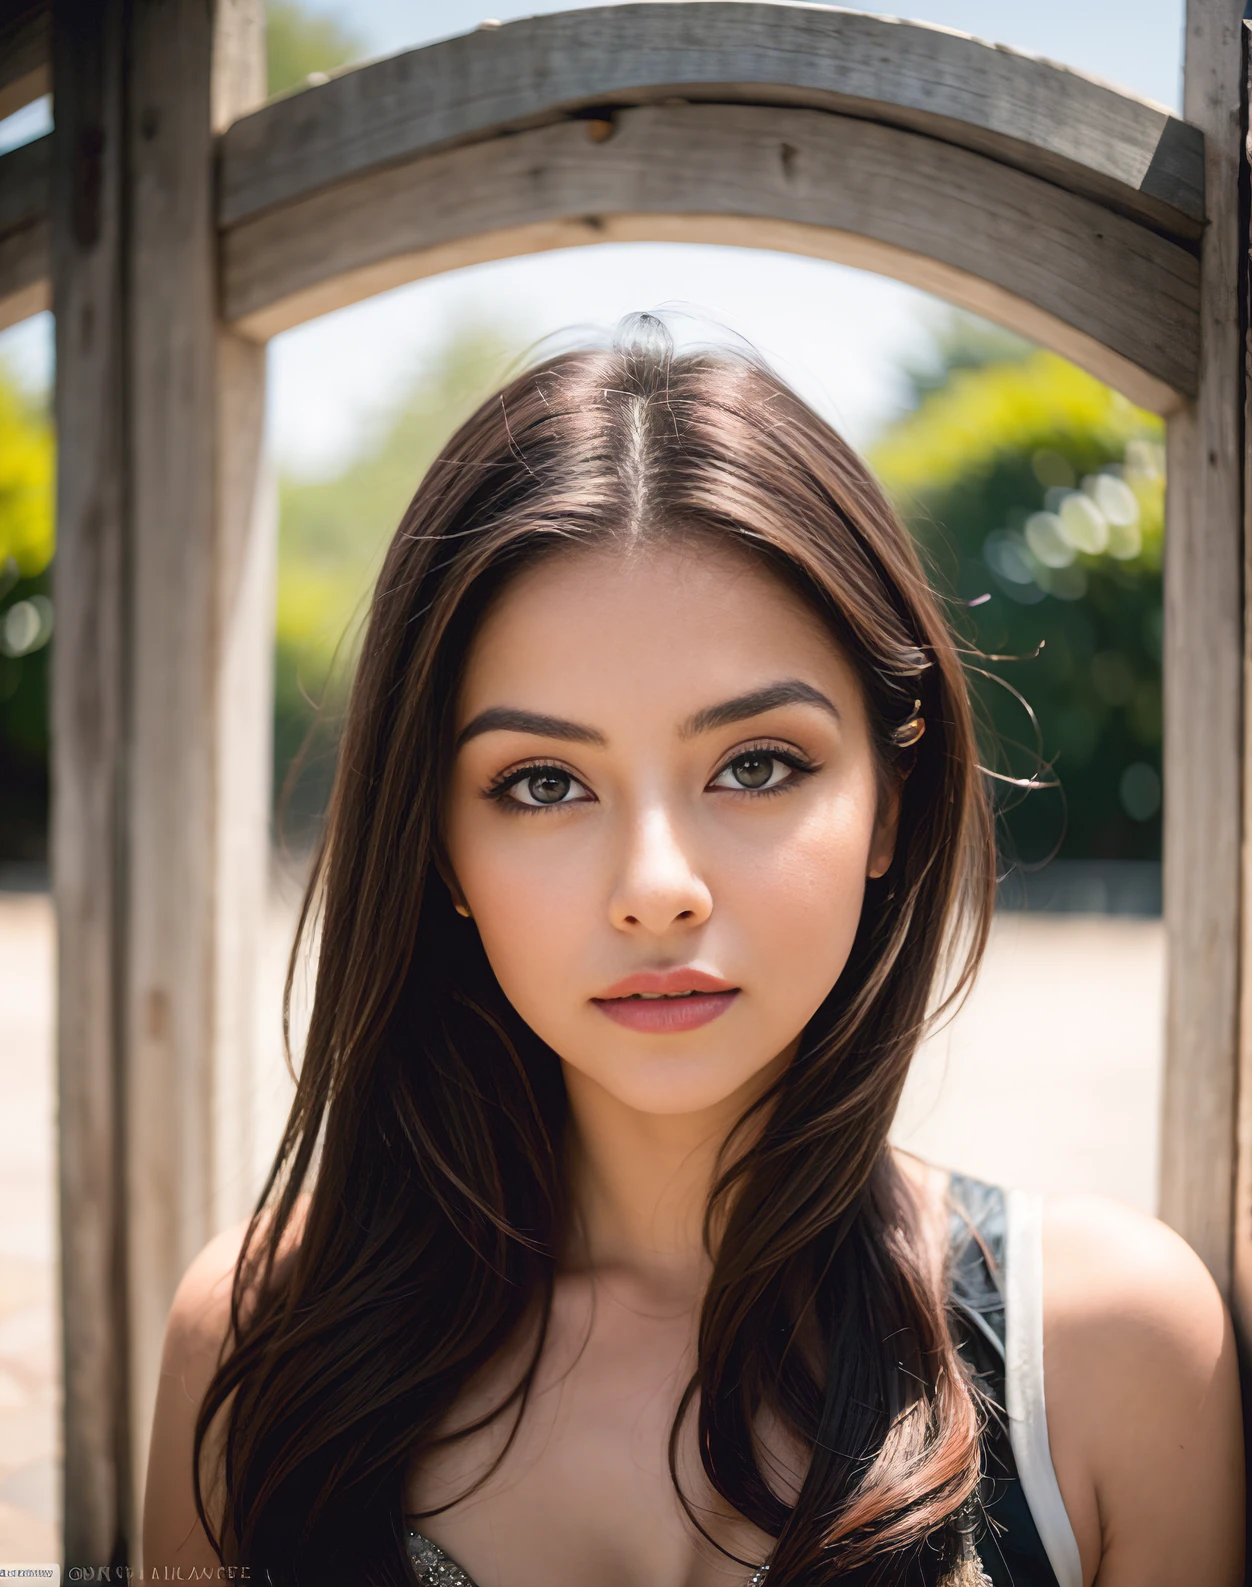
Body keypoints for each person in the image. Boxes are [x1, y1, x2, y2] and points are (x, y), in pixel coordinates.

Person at [142, 315, 1244, 1587]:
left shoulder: (1109, 1361)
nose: (656, 889)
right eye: (545, 783)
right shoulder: (255, 1345)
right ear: (437, 844)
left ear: (890, 801)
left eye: (756, 765)